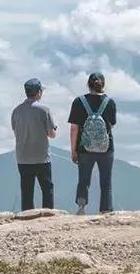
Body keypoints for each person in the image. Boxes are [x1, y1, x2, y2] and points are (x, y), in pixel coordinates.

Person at [68, 71, 117, 215]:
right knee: (106, 182)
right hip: (106, 148)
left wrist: (73, 150)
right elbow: (111, 124)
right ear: (103, 85)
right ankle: (105, 210)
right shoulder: (110, 102)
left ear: (88, 85)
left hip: (85, 148)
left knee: (83, 179)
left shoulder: (79, 102)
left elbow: (74, 128)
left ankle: (81, 207)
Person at [11, 77, 57, 211]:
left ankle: (26, 216)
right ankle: (48, 215)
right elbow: (51, 134)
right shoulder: (44, 110)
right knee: (47, 188)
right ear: (38, 92)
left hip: (23, 157)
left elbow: (15, 131)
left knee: (26, 190)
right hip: (42, 157)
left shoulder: (16, 111)